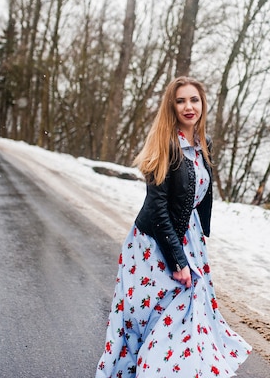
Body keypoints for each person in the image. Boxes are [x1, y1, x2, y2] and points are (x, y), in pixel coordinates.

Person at [96, 76, 251, 378]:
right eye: (181, 100)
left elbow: (197, 194)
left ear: (203, 103)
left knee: (184, 315)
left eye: (194, 99)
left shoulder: (203, 143)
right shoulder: (166, 145)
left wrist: (196, 239)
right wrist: (177, 260)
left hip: (188, 239)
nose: (189, 106)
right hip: (154, 243)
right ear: (172, 106)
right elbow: (157, 207)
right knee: (150, 318)